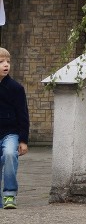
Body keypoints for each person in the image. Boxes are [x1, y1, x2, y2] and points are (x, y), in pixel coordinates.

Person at [0, 47, 28, 210]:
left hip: (10, 133)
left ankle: (10, 194)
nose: (6, 65)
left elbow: (23, 115)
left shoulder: (16, 89)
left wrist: (23, 140)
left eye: (8, 62)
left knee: (10, 154)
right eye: (1, 62)